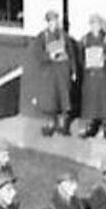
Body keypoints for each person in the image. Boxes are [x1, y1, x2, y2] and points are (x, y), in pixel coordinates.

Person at [24, 10, 77, 138]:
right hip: (49, 72)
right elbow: (38, 54)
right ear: (47, 23)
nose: (53, 24)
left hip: (63, 71)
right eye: (51, 21)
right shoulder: (42, 37)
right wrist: (49, 56)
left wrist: (73, 70)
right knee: (50, 100)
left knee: (64, 98)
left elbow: (71, 54)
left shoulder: (64, 36)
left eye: (55, 21)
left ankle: (64, 125)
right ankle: (50, 124)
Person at [77, 15, 106, 141]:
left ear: (100, 25)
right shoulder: (85, 40)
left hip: (104, 78)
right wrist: (87, 66)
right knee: (90, 104)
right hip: (90, 77)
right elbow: (80, 57)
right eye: (92, 24)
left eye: (97, 24)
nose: (94, 27)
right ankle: (91, 128)